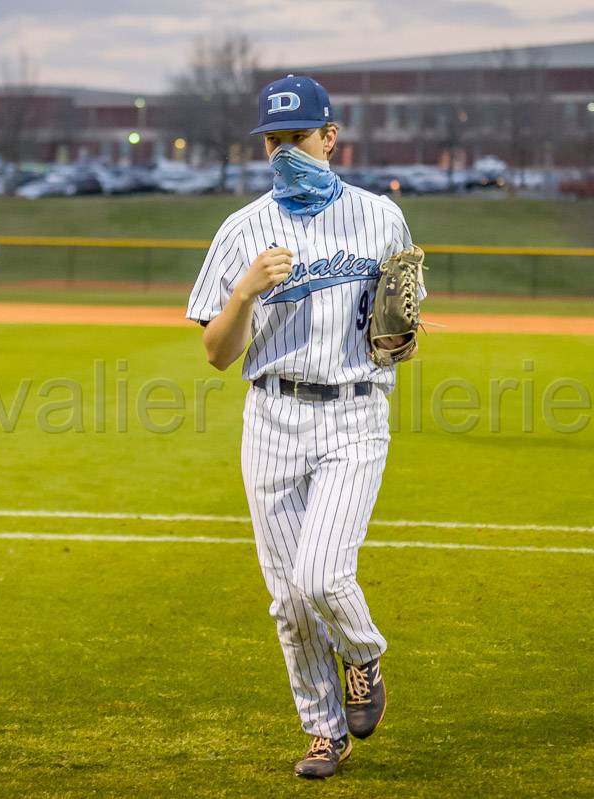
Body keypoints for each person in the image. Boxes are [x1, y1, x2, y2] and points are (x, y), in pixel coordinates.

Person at [186, 74, 416, 779]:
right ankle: (323, 732)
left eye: (299, 138)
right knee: (288, 597)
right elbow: (218, 354)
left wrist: (402, 338)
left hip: (353, 411)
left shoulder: (381, 219)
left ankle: (364, 653)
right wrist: (245, 291)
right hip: (273, 414)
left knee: (321, 573)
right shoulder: (242, 231)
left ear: (331, 138)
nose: (286, 151)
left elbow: (401, 331)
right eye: (274, 140)